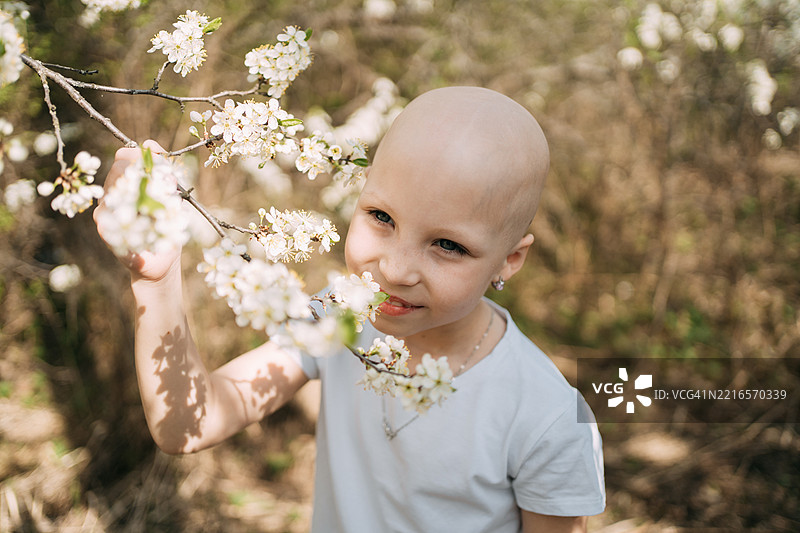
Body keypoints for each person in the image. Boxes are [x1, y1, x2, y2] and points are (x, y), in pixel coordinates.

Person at [95, 86, 605, 533]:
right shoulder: (339, 319)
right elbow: (188, 424)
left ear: (510, 260)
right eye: (381, 216)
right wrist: (155, 277)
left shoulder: (547, 417)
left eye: (448, 245)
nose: (396, 269)